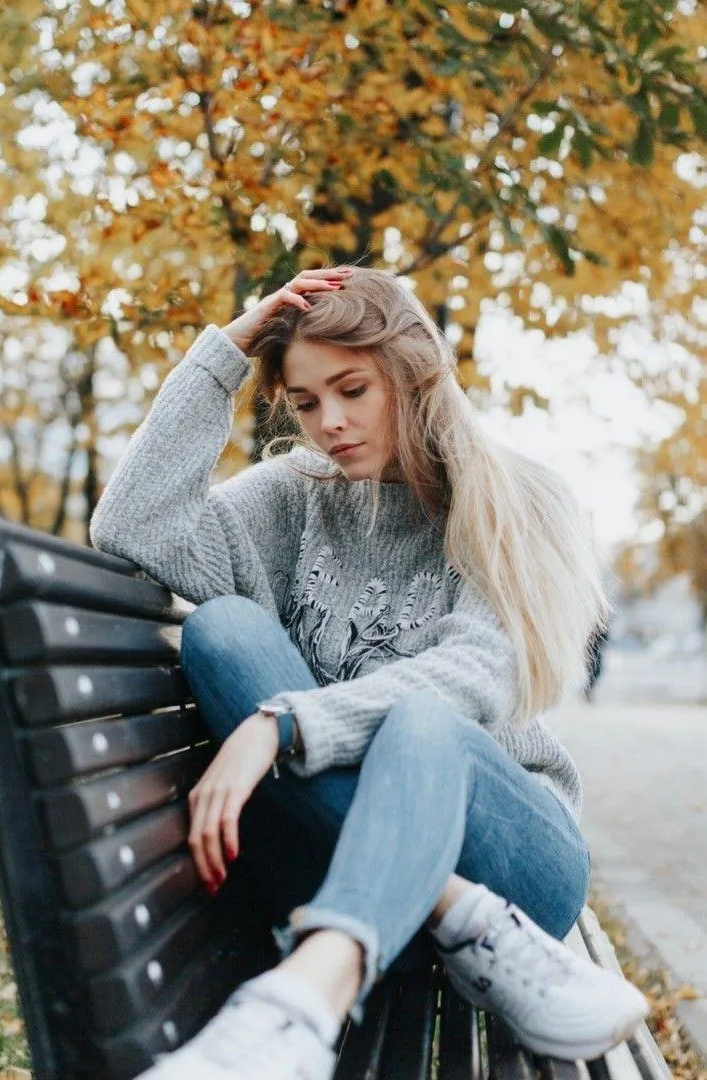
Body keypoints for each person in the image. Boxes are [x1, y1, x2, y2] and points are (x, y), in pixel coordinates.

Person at [90, 266, 647, 1080]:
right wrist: (228, 352)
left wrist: (282, 723)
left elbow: (473, 676)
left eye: (352, 388)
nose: (331, 424)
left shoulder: (517, 499)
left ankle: (304, 1003)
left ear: (412, 371)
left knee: (425, 719)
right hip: (340, 861)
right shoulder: (290, 498)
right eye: (307, 401)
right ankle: (441, 908)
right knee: (226, 627)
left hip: (514, 864)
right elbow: (133, 524)